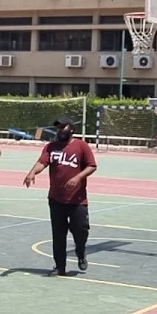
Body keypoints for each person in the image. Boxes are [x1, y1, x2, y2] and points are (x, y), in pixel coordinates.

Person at [23, 113, 97, 276]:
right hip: (56, 198)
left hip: (77, 200)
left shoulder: (81, 146)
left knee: (81, 230)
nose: (60, 129)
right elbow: (42, 162)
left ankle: (80, 251)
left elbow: (92, 166)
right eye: (58, 127)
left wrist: (78, 177)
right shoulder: (51, 147)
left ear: (71, 128)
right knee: (58, 235)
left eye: (63, 126)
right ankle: (60, 267)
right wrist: (32, 173)